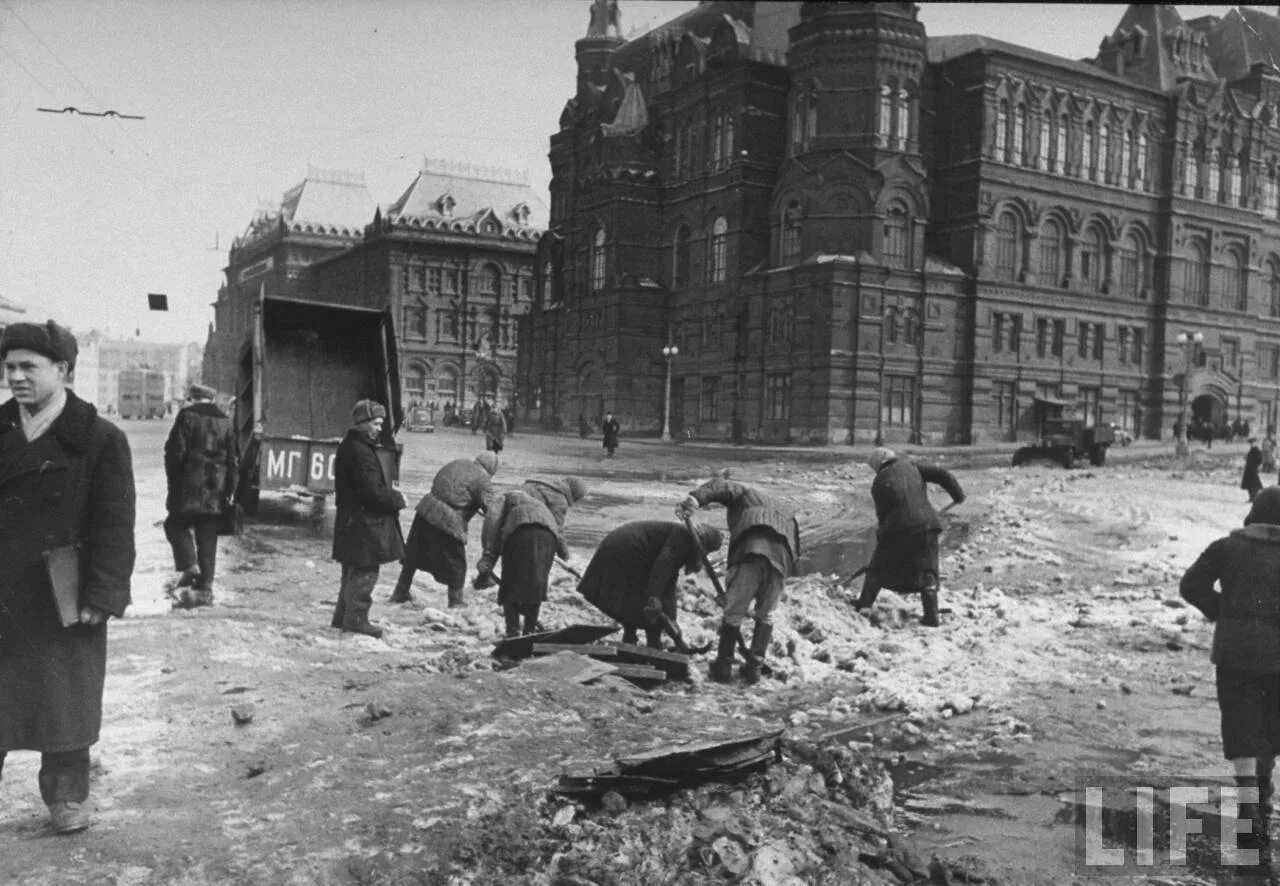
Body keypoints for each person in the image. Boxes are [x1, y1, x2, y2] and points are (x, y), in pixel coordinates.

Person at [0, 320, 136, 835]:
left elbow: (114, 524)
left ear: (62, 370)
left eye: (28, 367)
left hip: (63, 591)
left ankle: (66, 798)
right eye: (9, 366)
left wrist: (102, 592)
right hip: (1, 592)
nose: (15, 376)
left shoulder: (99, 440)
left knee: (64, 700)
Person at [1180, 486, 1280, 858]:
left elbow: (1190, 585)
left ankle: (1248, 804)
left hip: (1234, 656)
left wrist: (1223, 611)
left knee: (1241, 725)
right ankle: (1263, 793)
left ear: (1252, 515)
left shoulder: (1225, 547)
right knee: (1270, 725)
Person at [676, 477, 800, 684]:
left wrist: (694, 499)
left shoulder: (745, 493)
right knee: (766, 615)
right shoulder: (786, 511)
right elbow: (796, 550)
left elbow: (719, 486)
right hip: (782, 562)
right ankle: (755, 667)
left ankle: (723, 666)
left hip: (751, 552)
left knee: (734, 613)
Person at [854, 447, 964, 628]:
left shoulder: (878, 483)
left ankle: (864, 605)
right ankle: (931, 616)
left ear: (877, 465)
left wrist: (882, 540)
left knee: (877, 567)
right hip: (928, 525)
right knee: (928, 571)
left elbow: (883, 518)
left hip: (897, 529)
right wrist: (957, 495)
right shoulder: (912, 466)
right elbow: (943, 475)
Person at [576, 520, 723, 650]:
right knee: (643, 599)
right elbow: (663, 567)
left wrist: (672, 617)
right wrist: (655, 598)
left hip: (623, 546)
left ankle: (632, 639)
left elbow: (669, 581)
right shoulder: (684, 537)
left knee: (638, 600)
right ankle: (651, 643)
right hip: (628, 549)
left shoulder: (683, 540)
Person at [475, 476, 588, 638]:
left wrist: (487, 558)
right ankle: (529, 631)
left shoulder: (506, 499)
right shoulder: (546, 504)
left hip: (520, 533)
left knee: (511, 584)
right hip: (549, 536)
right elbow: (559, 531)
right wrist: (565, 556)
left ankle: (512, 632)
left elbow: (492, 529)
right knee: (537, 583)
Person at [330, 399, 405, 639]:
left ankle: (343, 617)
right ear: (362, 422)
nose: (379, 428)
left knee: (351, 571)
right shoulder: (360, 450)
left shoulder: (352, 445)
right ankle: (356, 620)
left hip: (351, 521)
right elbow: (372, 492)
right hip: (363, 523)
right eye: (375, 423)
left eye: (380, 423)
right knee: (365, 570)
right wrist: (397, 499)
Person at [390, 452, 498, 608]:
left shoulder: (458, 462)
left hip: (426, 509)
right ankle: (455, 601)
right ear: (492, 468)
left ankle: (400, 592)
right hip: (450, 520)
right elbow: (492, 510)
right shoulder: (483, 479)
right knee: (456, 562)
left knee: (413, 554)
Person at [163, 383, 238, 608]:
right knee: (208, 536)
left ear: (193, 397)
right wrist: (230, 490)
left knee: (174, 525)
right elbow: (234, 460)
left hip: (189, 486)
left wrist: (175, 481)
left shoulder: (187, 416)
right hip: (216, 488)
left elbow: (174, 452)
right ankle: (206, 586)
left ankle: (189, 563)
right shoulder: (226, 421)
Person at [1243, 438, 1265, 503]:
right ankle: (1251, 498)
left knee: (1254, 485)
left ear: (1255, 443)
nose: (1252, 444)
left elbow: (1260, 460)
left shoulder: (1257, 450)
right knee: (1249, 485)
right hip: (1249, 469)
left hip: (1253, 470)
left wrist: (1258, 467)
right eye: (1251, 443)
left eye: (1253, 443)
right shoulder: (1252, 450)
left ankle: (1254, 498)